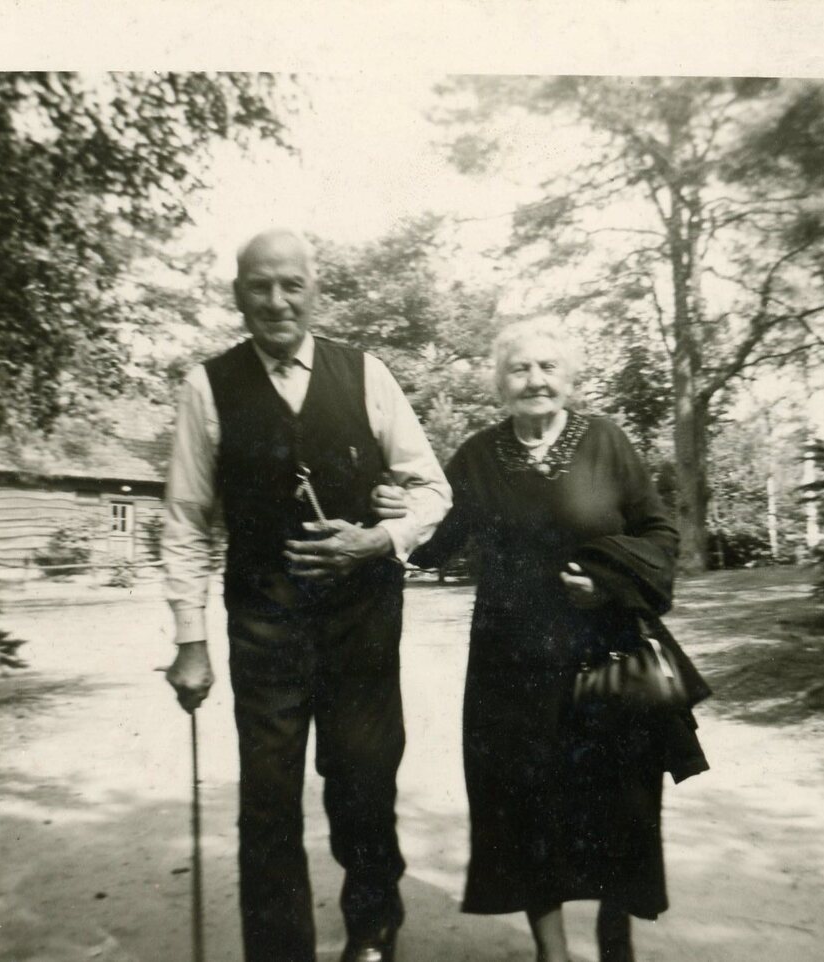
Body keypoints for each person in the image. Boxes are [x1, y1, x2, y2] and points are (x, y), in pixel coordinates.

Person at [374, 318, 710, 962]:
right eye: (520, 368)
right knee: (524, 804)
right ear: (500, 383)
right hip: (511, 666)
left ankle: (616, 941)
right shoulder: (477, 456)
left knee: (624, 800)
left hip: (608, 653)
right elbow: (437, 541)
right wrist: (400, 511)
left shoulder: (607, 441)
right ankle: (551, 953)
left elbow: (660, 533)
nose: (535, 380)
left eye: (548, 367)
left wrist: (608, 583)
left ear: (570, 378)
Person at [162, 227, 451, 962]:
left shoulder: (366, 375)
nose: (276, 300)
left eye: (291, 284)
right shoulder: (206, 387)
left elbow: (431, 489)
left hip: (362, 621)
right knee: (267, 800)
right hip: (264, 623)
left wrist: (379, 539)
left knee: (362, 781)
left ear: (314, 291)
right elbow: (186, 519)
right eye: (259, 286)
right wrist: (190, 641)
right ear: (238, 295)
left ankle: (372, 930)